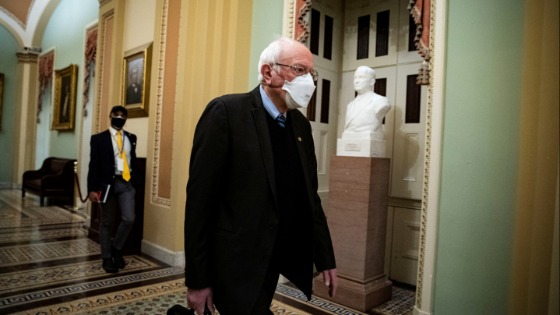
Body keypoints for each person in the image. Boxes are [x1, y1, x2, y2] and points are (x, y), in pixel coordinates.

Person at [184, 37, 338, 315]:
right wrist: (197, 280)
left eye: (311, 74)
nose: (310, 82)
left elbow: (309, 196)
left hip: (274, 258)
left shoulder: (301, 126)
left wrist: (325, 257)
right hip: (233, 261)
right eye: (300, 70)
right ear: (269, 73)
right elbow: (199, 203)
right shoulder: (226, 113)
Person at [87, 105, 138, 273]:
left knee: (129, 218)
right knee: (106, 222)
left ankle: (116, 248)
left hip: (126, 183)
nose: (119, 117)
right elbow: (93, 165)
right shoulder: (98, 139)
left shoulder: (131, 137)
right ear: (110, 116)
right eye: (116, 114)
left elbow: (132, 160)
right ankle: (107, 258)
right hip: (106, 184)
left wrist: (135, 182)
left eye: (123, 115)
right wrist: (92, 189)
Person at [342, 66, 391, 140]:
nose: (356, 81)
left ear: (372, 82)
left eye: (361, 77)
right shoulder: (350, 105)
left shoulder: (381, 101)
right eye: (355, 78)